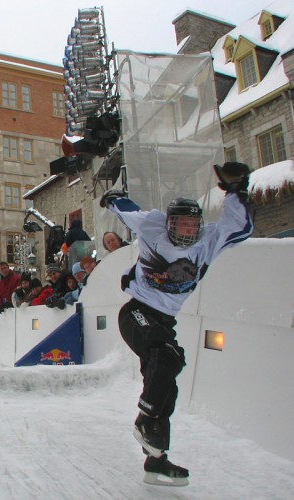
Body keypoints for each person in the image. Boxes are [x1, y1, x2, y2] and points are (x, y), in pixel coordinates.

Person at [99, 162, 253, 486]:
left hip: (163, 321)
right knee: (168, 356)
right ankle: (144, 419)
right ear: (169, 223)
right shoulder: (153, 226)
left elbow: (239, 226)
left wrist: (237, 191)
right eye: (180, 224)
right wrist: (112, 198)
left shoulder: (209, 241)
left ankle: (156, 462)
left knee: (166, 386)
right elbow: (128, 211)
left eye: (192, 225)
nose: (186, 231)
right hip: (137, 312)